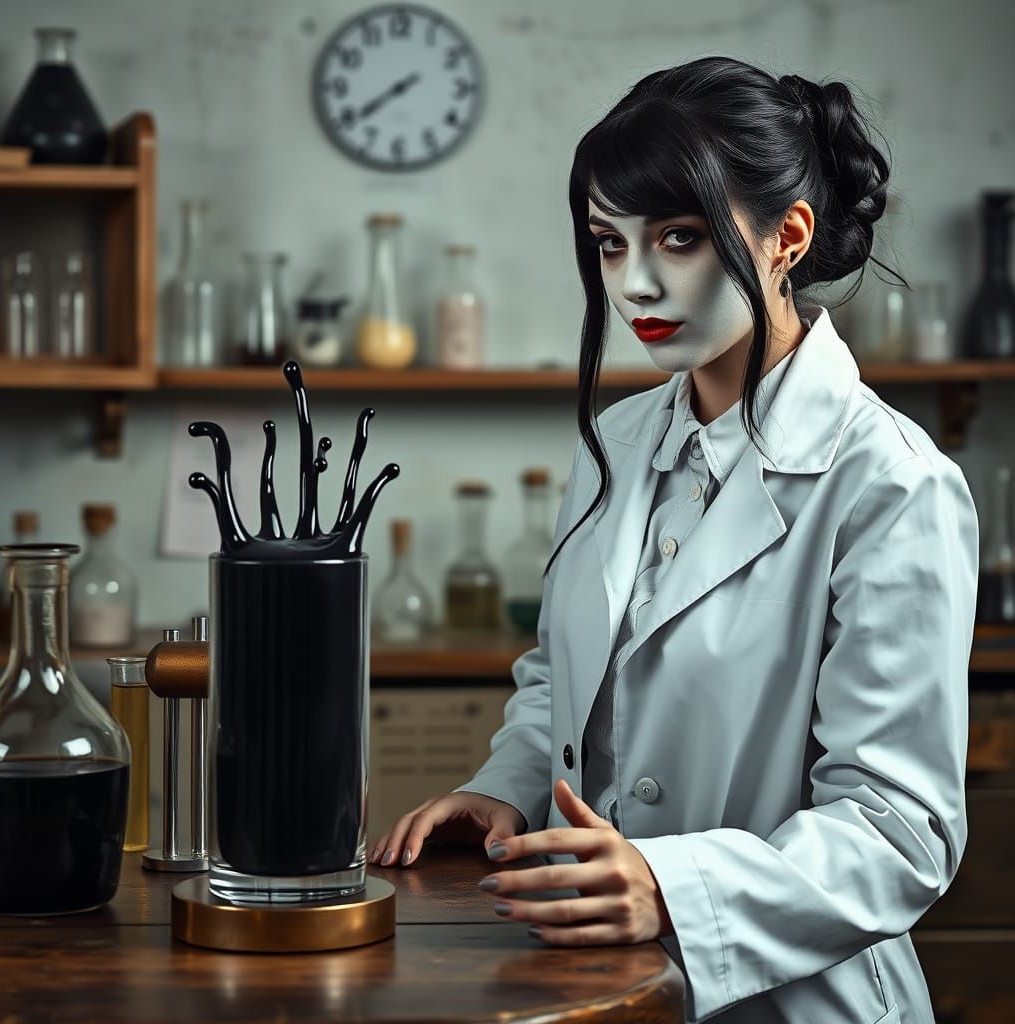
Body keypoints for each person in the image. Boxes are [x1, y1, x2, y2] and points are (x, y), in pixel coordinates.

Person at [370, 55, 979, 1024]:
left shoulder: (892, 484)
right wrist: (507, 788)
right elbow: (562, 682)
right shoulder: (615, 442)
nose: (635, 283)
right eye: (609, 244)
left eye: (679, 238)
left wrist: (671, 888)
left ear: (787, 237)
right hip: (591, 986)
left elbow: (899, 831)